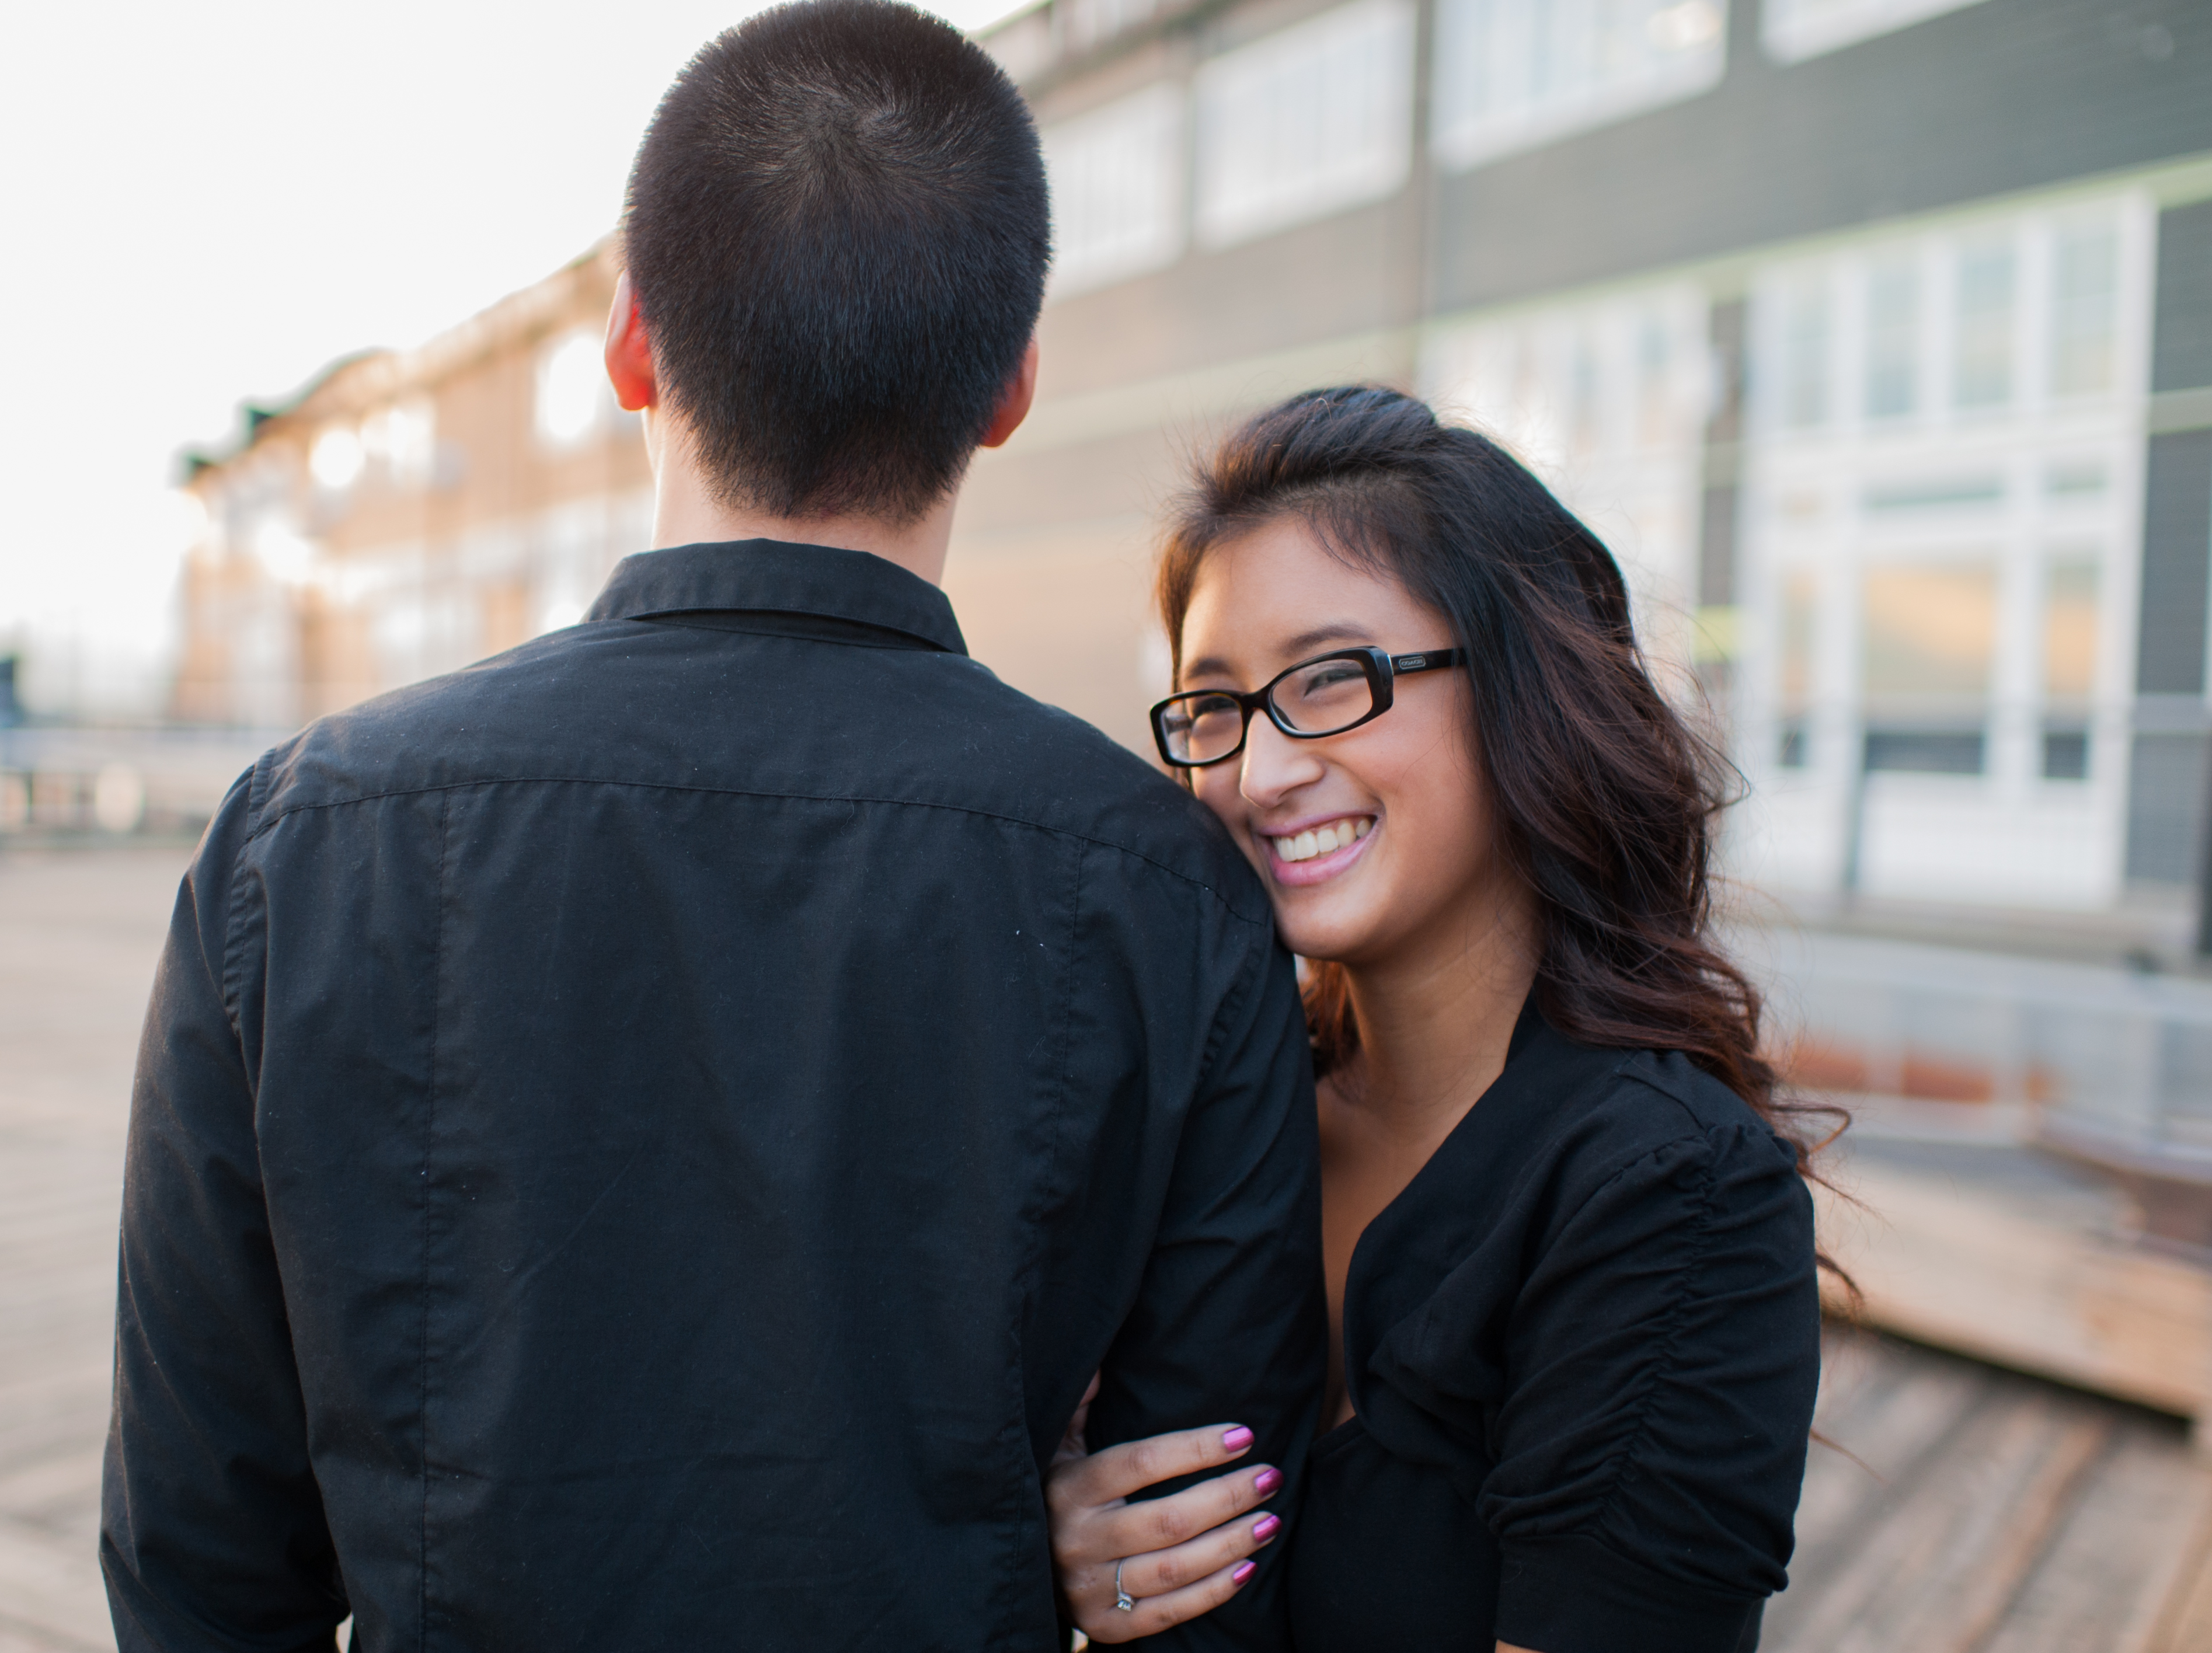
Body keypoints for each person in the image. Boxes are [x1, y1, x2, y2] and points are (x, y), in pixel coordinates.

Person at [100, 4, 1326, 1648]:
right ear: (1011, 390)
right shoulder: (1172, 893)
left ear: (630, 350)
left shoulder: (303, 842)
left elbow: (198, 1555)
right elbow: (1201, 1551)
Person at [1044, 387, 1827, 1653]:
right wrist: (1079, 1555)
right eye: (1216, 708)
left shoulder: (1671, 1196)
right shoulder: (1215, 1115)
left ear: (1522, 684)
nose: (1259, 772)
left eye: (1331, 679)